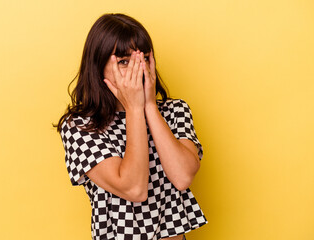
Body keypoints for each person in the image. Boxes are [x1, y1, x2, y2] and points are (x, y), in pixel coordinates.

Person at [54, 13, 208, 240]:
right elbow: (134, 188)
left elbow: (183, 176)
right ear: (98, 67)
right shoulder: (80, 126)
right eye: (124, 62)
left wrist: (149, 107)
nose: (139, 69)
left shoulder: (175, 111)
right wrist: (134, 110)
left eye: (144, 58)